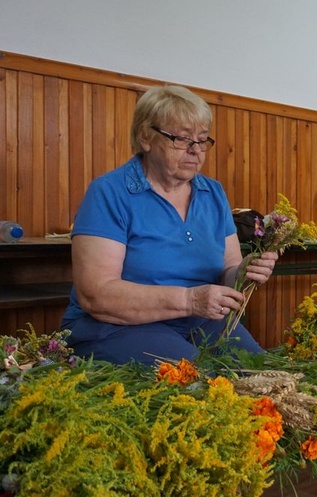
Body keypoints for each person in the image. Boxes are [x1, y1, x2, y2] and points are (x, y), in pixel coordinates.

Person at [60, 85, 278, 365]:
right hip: (119, 326)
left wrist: (245, 272)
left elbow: (228, 270)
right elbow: (97, 295)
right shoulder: (110, 192)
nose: (195, 150)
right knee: (203, 382)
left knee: (264, 374)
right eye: (182, 139)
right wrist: (190, 300)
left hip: (198, 322)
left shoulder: (212, 194)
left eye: (202, 140)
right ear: (145, 137)